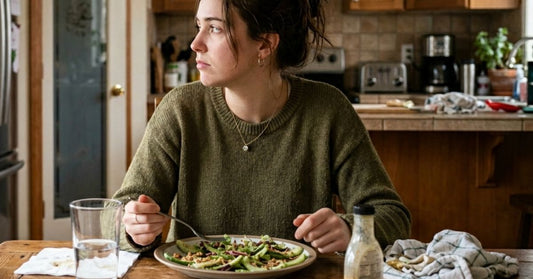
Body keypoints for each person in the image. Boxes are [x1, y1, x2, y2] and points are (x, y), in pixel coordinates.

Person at [112, 0, 411, 254]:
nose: (195, 44)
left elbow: (392, 215)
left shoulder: (328, 110)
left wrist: (349, 228)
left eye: (214, 28)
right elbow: (114, 212)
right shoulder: (179, 109)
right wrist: (131, 224)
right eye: (198, 26)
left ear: (265, 44)